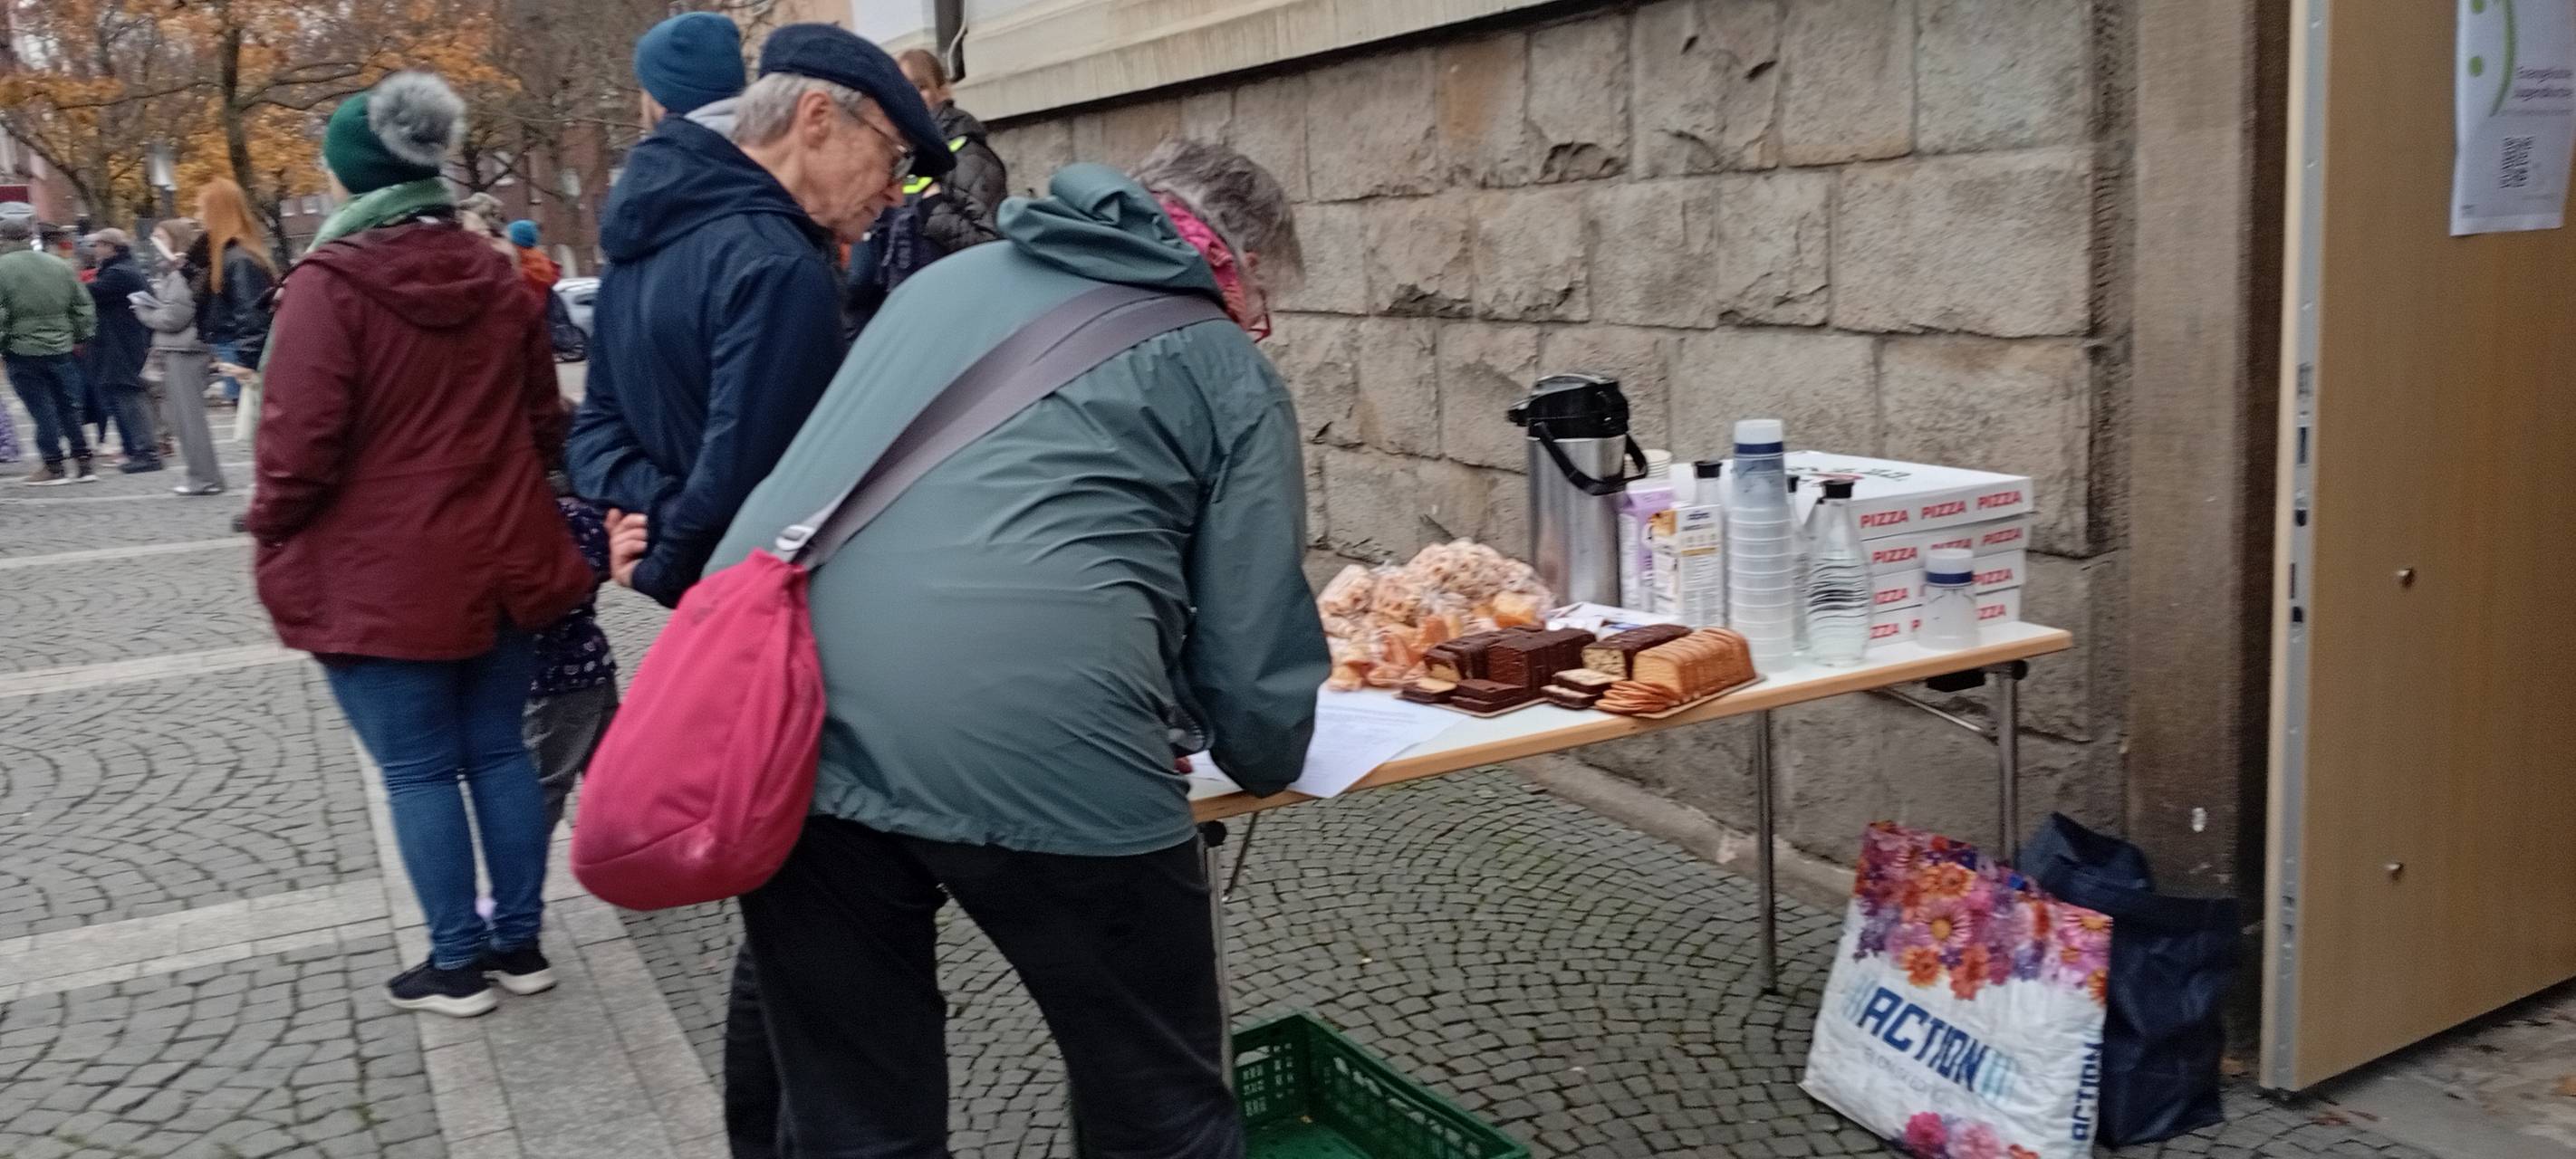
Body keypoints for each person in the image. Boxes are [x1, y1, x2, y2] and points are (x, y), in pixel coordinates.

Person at [704, 139, 1323, 1156]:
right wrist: (1262, 752)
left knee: (855, 1113)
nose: (1253, 325)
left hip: (793, 717)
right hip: (1043, 735)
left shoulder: (943, 283)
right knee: (1158, 1099)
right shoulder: (1220, 361)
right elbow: (1252, 646)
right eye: (1259, 303)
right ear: (1232, 266)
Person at [248, 72, 590, 1018]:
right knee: (497, 752)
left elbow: (299, 442)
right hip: (499, 557)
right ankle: (519, 943)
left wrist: (271, 523)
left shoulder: (329, 285)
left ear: (349, 176)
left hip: (382, 567)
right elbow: (540, 421)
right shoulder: (498, 277)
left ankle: (455, 961)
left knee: (419, 767)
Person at [569, 23, 954, 609]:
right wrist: (663, 563)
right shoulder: (779, 265)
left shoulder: (639, 232)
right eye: (893, 156)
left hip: (722, 600)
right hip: (777, 605)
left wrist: (655, 525)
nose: (895, 191)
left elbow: (595, 436)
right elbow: (747, 485)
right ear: (818, 118)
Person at [524, 472, 619, 833]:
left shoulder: (553, 518)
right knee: (613, 776)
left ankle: (518, 882)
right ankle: (635, 865)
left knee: (546, 783)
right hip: (585, 663)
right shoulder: (580, 514)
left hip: (556, 673)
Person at [0, 216, 101, 484]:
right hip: (61, 347)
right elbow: (82, 306)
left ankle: (53, 465)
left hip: (22, 349)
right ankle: (84, 461)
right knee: (69, 405)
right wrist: (79, 336)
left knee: (41, 408)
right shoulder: (60, 265)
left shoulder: (2, 268)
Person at [131, 218, 229, 495]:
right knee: (182, 420)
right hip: (179, 349)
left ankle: (205, 478)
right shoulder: (177, 272)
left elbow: (175, 316)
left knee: (189, 421)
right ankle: (201, 475)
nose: (156, 242)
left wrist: (144, 312)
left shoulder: (184, 274)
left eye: (161, 236)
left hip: (184, 351)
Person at [896, 48, 1008, 248]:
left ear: (942, 90)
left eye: (920, 87)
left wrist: (934, 207)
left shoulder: (967, 153)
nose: (911, 98)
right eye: (902, 90)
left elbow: (991, 244)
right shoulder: (899, 153)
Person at [80, 230, 162, 474]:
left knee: (128, 396)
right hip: (117, 343)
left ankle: (146, 451)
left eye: (97, 245)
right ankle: (135, 449)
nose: (94, 250)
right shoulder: (122, 269)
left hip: (120, 344)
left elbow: (86, 293)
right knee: (119, 396)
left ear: (110, 247)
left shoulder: (120, 273)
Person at [190, 178, 276, 406]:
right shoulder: (233, 256)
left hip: (237, 351)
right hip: (234, 349)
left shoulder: (238, 260)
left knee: (251, 424)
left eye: (202, 209)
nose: (199, 217)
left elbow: (252, 313)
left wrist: (246, 363)